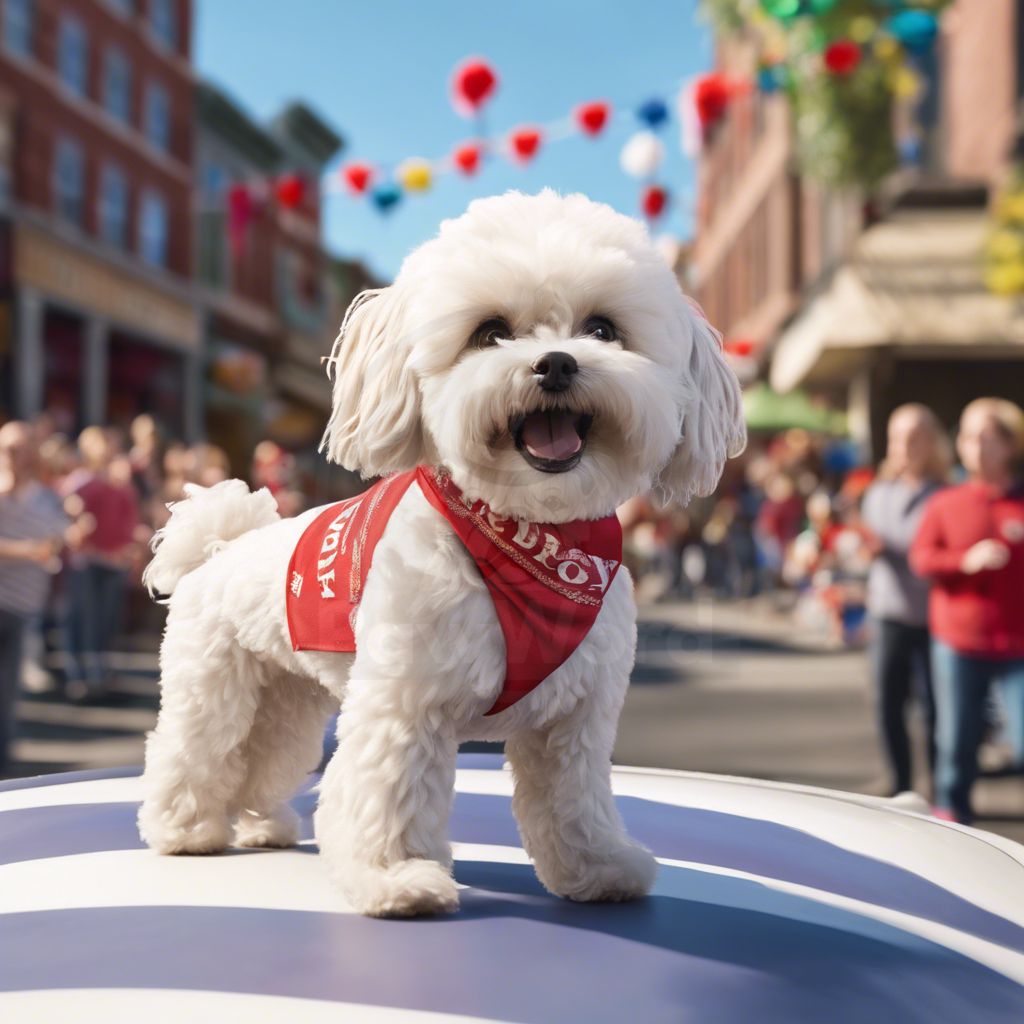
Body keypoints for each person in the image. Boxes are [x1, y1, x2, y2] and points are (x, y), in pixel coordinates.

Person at [910, 398, 1024, 823]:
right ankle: (952, 817)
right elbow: (922, 559)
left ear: (1009, 444)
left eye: (986, 436)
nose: (975, 446)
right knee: (956, 738)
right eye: (968, 436)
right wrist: (964, 561)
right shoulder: (945, 502)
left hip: (1017, 644)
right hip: (959, 640)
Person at [861, 404, 949, 796]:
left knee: (936, 709)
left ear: (931, 443)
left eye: (914, 438)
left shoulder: (947, 495)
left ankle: (938, 783)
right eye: (898, 438)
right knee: (888, 703)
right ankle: (900, 780)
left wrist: (889, 548)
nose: (905, 447)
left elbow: (930, 552)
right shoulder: (878, 494)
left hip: (935, 616)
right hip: (890, 611)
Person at [0, 422, 69, 771]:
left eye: (22, 448)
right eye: (10, 448)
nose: (16, 456)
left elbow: (59, 534)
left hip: (24, 603)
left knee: (9, 687)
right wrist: (24, 551)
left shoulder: (46, 496)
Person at [62, 427, 141, 700]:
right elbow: (68, 509)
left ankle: (100, 673)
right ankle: (80, 676)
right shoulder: (82, 480)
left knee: (106, 621)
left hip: (113, 561)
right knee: (83, 619)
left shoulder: (121, 482)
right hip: (87, 560)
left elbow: (128, 518)